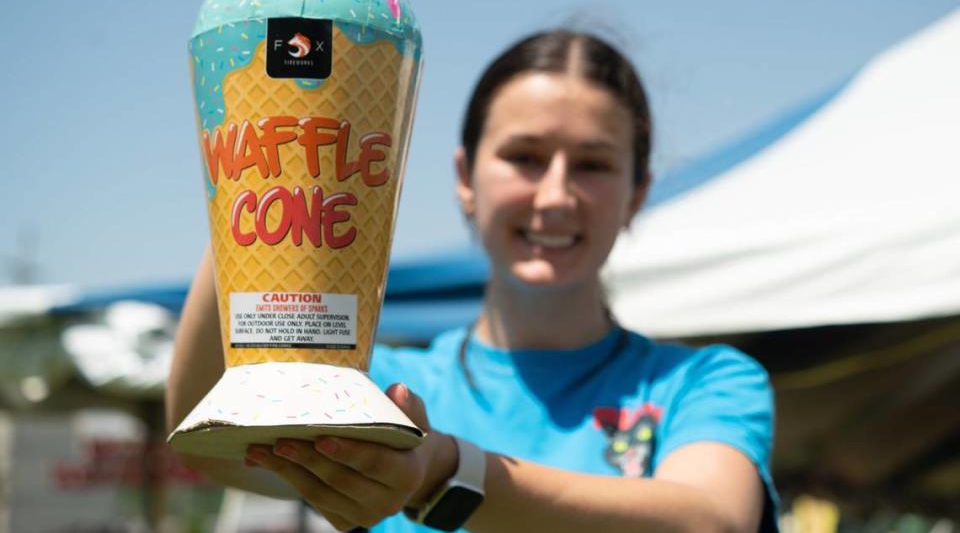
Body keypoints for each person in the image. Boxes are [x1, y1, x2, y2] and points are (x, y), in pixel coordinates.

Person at [166, 30, 779, 532]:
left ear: (637, 193)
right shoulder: (370, 391)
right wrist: (264, 168)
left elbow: (712, 521)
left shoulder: (705, 385)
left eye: (593, 164)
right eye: (525, 157)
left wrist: (449, 474)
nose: (557, 195)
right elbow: (204, 434)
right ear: (465, 175)